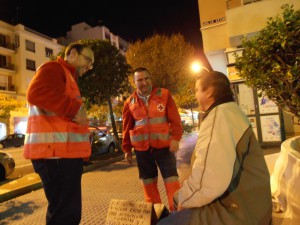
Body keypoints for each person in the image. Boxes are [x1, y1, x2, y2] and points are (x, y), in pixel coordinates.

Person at [158, 71, 272, 225]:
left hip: (240, 212)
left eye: (198, 90)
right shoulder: (231, 111)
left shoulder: (219, 117)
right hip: (252, 204)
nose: (196, 95)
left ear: (210, 91)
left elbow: (207, 181)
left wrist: (180, 198)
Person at [23, 42, 94, 225]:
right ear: (72, 54)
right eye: (87, 59)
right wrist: (75, 110)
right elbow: (35, 93)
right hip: (55, 156)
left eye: (91, 64)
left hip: (60, 157)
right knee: (65, 216)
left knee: (65, 214)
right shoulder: (54, 68)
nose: (89, 66)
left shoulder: (68, 78)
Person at [122, 67, 183, 212]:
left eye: (146, 78)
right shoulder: (129, 102)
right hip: (142, 150)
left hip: (164, 148)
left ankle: (176, 216)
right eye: (140, 80)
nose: (144, 82)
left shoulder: (165, 95)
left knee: (172, 183)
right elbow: (126, 127)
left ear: (151, 79)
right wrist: (127, 149)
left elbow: (175, 119)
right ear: (134, 82)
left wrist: (175, 138)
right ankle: (158, 216)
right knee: (148, 185)